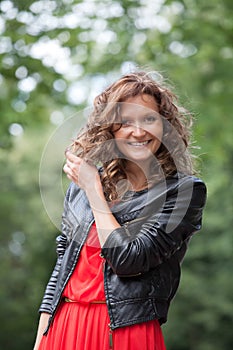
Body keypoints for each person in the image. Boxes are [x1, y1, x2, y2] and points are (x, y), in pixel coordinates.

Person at [33, 70, 207, 350]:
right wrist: (41, 339)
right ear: (110, 127)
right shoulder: (80, 187)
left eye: (149, 119)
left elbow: (129, 260)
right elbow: (62, 270)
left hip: (125, 330)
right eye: (125, 121)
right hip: (64, 325)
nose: (138, 131)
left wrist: (94, 191)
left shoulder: (183, 192)